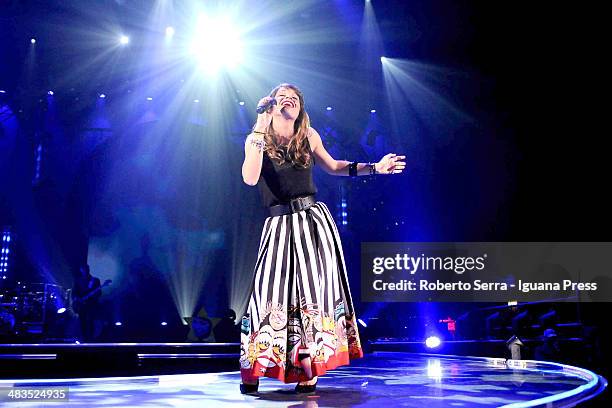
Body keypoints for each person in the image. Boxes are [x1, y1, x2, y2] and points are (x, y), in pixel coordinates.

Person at [239, 83, 406, 394]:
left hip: (313, 224)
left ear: (301, 107)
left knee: (311, 297)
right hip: (278, 225)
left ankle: (307, 369)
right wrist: (260, 129)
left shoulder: (309, 136)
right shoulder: (257, 139)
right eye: (281, 97)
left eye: (295, 98)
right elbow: (250, 178)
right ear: (272, 106)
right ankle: (255, 368)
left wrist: (375, 168)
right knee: (268, 294)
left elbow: (334, 166)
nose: (288, 101)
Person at [72, 264, 102, 342]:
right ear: (81, 270)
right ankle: (84, 338)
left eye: (86, 269)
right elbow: (74, 292)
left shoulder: (95, 280)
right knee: (82, 321)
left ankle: (91, 339)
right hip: (81, 305)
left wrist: (93, 295)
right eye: (83, 269)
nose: (85, 270)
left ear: (88, 269)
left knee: (91, 320)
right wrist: (77, 298)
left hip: (92, 304)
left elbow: (99, 293)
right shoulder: (78, 280)